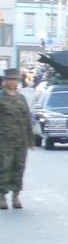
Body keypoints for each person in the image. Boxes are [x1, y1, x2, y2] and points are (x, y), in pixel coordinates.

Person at [0, 68, 32, 209]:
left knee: (19, 167)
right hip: (4, 141)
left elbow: (27, 119)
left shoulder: (21, 98)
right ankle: (2, 196)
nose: (13, 82)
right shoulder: (1, 98)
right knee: (4, 167)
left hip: (21, 140)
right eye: (10, 79)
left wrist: (30, 140)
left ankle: (16, 196)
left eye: (15, 79)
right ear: (4, 82)